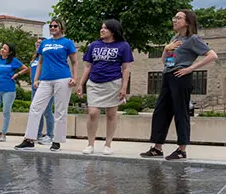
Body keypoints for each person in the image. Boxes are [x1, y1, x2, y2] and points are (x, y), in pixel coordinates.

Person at [140, 10, 218, 161]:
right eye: (174, 17)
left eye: (178, 18)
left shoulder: (193, 39)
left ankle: (182, 150)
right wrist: (165, 49)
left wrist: (189, 69)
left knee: (180, 112)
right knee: (161, 111)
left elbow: (212, 55)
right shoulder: (175, 39)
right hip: (168, 75)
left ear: (188, 21)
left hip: (181, 77)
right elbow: (166, 63)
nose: (174, 20)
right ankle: (157, 148)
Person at [15, 19, 78, 152]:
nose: (53, 28)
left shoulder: (67, 43)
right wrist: (36, 79)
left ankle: (56, 141)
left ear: (61, 28)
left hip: (63, 78)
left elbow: (74, 62)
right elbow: (40, 62)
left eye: (55, 26)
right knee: (35, 107)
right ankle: (29, 139)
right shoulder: (45, 43)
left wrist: (75, 77)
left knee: (60, 110)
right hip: (46, 80)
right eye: (51, 26)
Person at [77, 19, 134, 155]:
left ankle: (108, 144)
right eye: (101, 28)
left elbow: (126, 68)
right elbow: (87, 66)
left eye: (105, 28)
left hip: (113, 82)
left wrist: (124, 88)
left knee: (111, 114)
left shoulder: (123, 46)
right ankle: (90, 144)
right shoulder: (94, 45)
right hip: (94, 83)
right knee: (93, 113)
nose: (101, 30)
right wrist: (81, 84)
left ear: (113, 31)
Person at [0, 42, 28, 141]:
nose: (2, 50)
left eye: (5, 49)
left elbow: (25, 69)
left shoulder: (13, 61)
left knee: (6, 112)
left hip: (9, 89)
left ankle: (3, 134)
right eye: (2, 48)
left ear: (9, 52)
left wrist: (17, 74)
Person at [29, 37, 54, 145]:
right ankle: (37, 134)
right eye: (37, 43)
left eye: (40, 43)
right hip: (35, 88)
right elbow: (32, 72)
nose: (38, 45)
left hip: (45, 86)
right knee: (36, 111)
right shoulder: (34, 59)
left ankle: (50, 135)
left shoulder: (47, 58)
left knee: (47, 112)